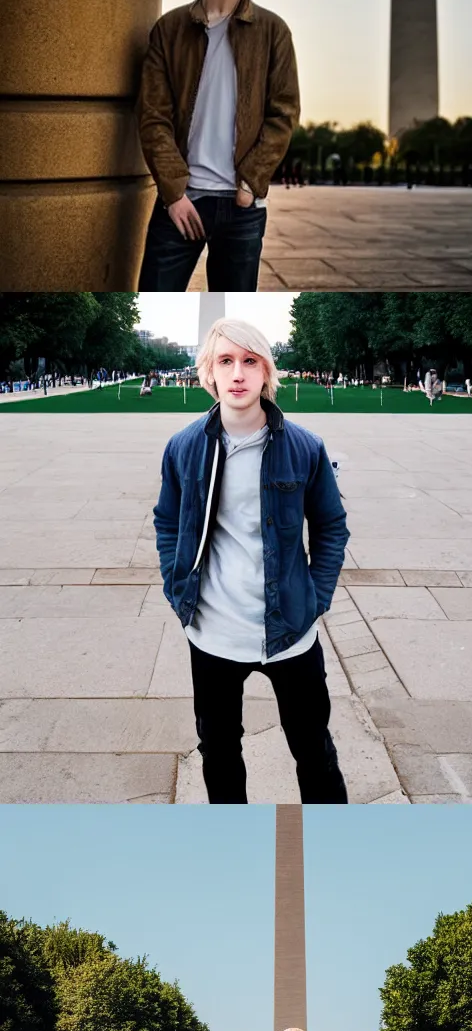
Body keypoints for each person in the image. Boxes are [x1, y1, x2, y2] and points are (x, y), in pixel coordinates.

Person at [153, 318, 350, 803]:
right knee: (219, 755)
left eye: (250, 361)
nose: (238, 373)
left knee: (314, 752)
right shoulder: (182, 447)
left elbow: (331, 526)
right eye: (226, 361)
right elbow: (166, 523)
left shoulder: (305, 447)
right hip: (213, 631)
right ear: (209, 373)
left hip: (291, 632)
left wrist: (317, 597)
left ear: (266, 373)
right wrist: (175, 586)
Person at [137, 0, 299, 292]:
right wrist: (174, 192)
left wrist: (249, 185)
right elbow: (152, 116)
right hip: (180, 203)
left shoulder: (273, 32)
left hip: (242, 209)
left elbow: (283, 114)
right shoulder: (170, 30)